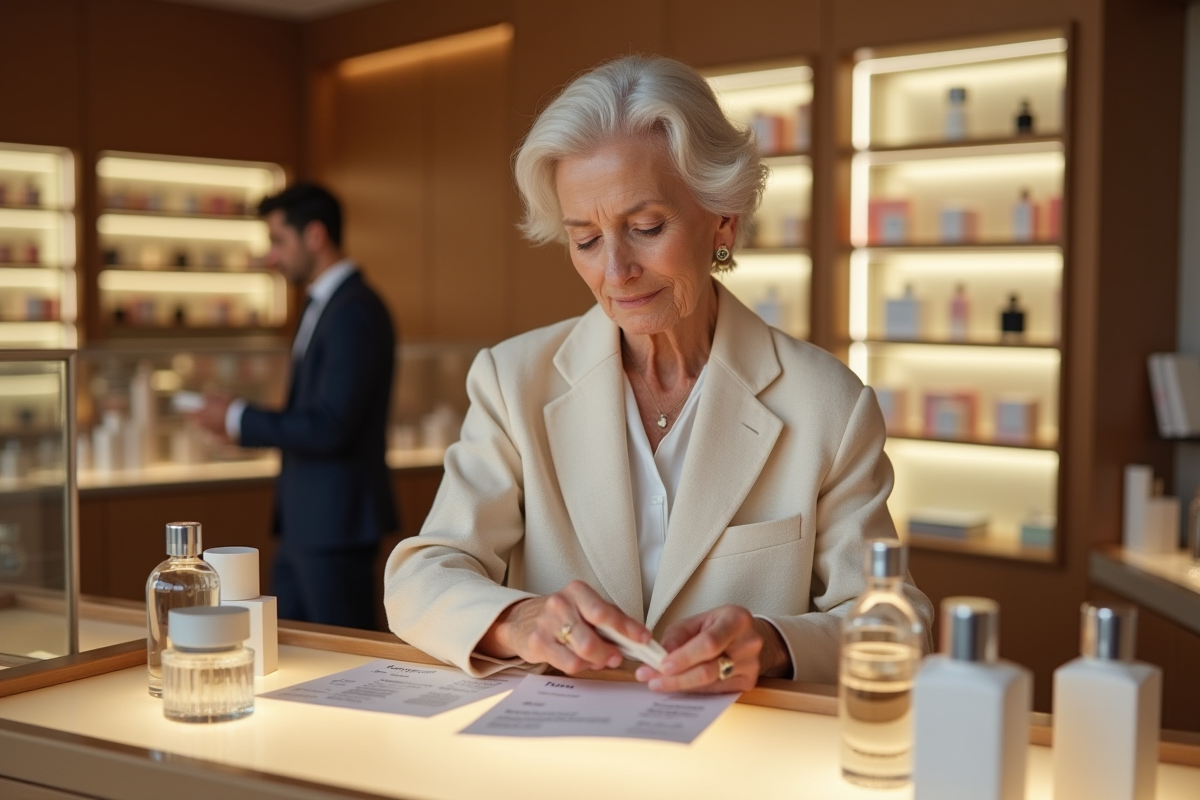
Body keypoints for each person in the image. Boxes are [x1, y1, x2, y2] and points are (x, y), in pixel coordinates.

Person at [384, 56, 932, 692]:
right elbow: (422, 576)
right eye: (585, 239)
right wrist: (518, 620)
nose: (615, 271)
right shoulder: (513, 380)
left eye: (645, 228)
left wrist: (773, 643)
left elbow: (895, 623)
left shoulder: (827, 405)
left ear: (722, 218)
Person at [195, 183, 398, 630]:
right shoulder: (328, 305)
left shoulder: (354, 310)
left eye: (278, 240)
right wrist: (239, 425)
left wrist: (238, 416)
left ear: (316, 236)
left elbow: (330, 425)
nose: (271, 256)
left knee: (344, 664)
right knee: (291, 652)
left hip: (335, 524)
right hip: (307, 522)